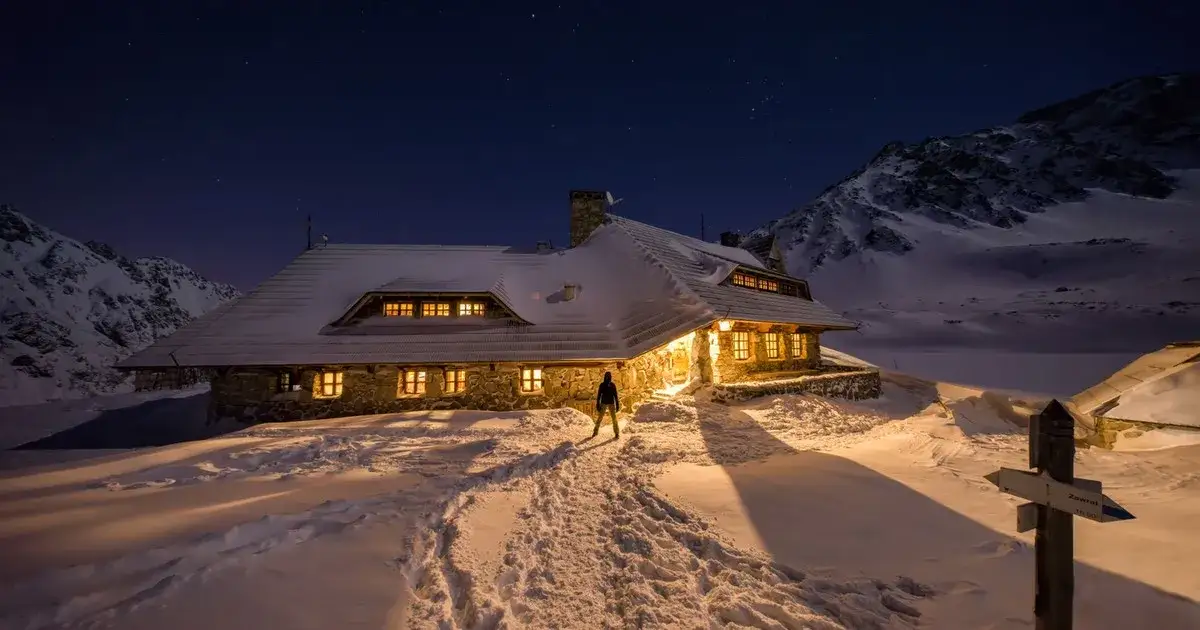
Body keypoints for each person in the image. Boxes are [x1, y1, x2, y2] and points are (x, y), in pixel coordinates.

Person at [593, 371, 620, 439]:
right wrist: (598, 404)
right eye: (607, 376)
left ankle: (616, 433)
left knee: (614, 419)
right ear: (605, 377)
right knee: (600, 418)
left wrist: (617, 404)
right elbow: (599, 395)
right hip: (603, 403)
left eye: (609, 376)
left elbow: (615, 395)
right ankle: (595, 431)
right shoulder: (602, 385)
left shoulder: (612, 385)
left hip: (611, 403)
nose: (608, 377)